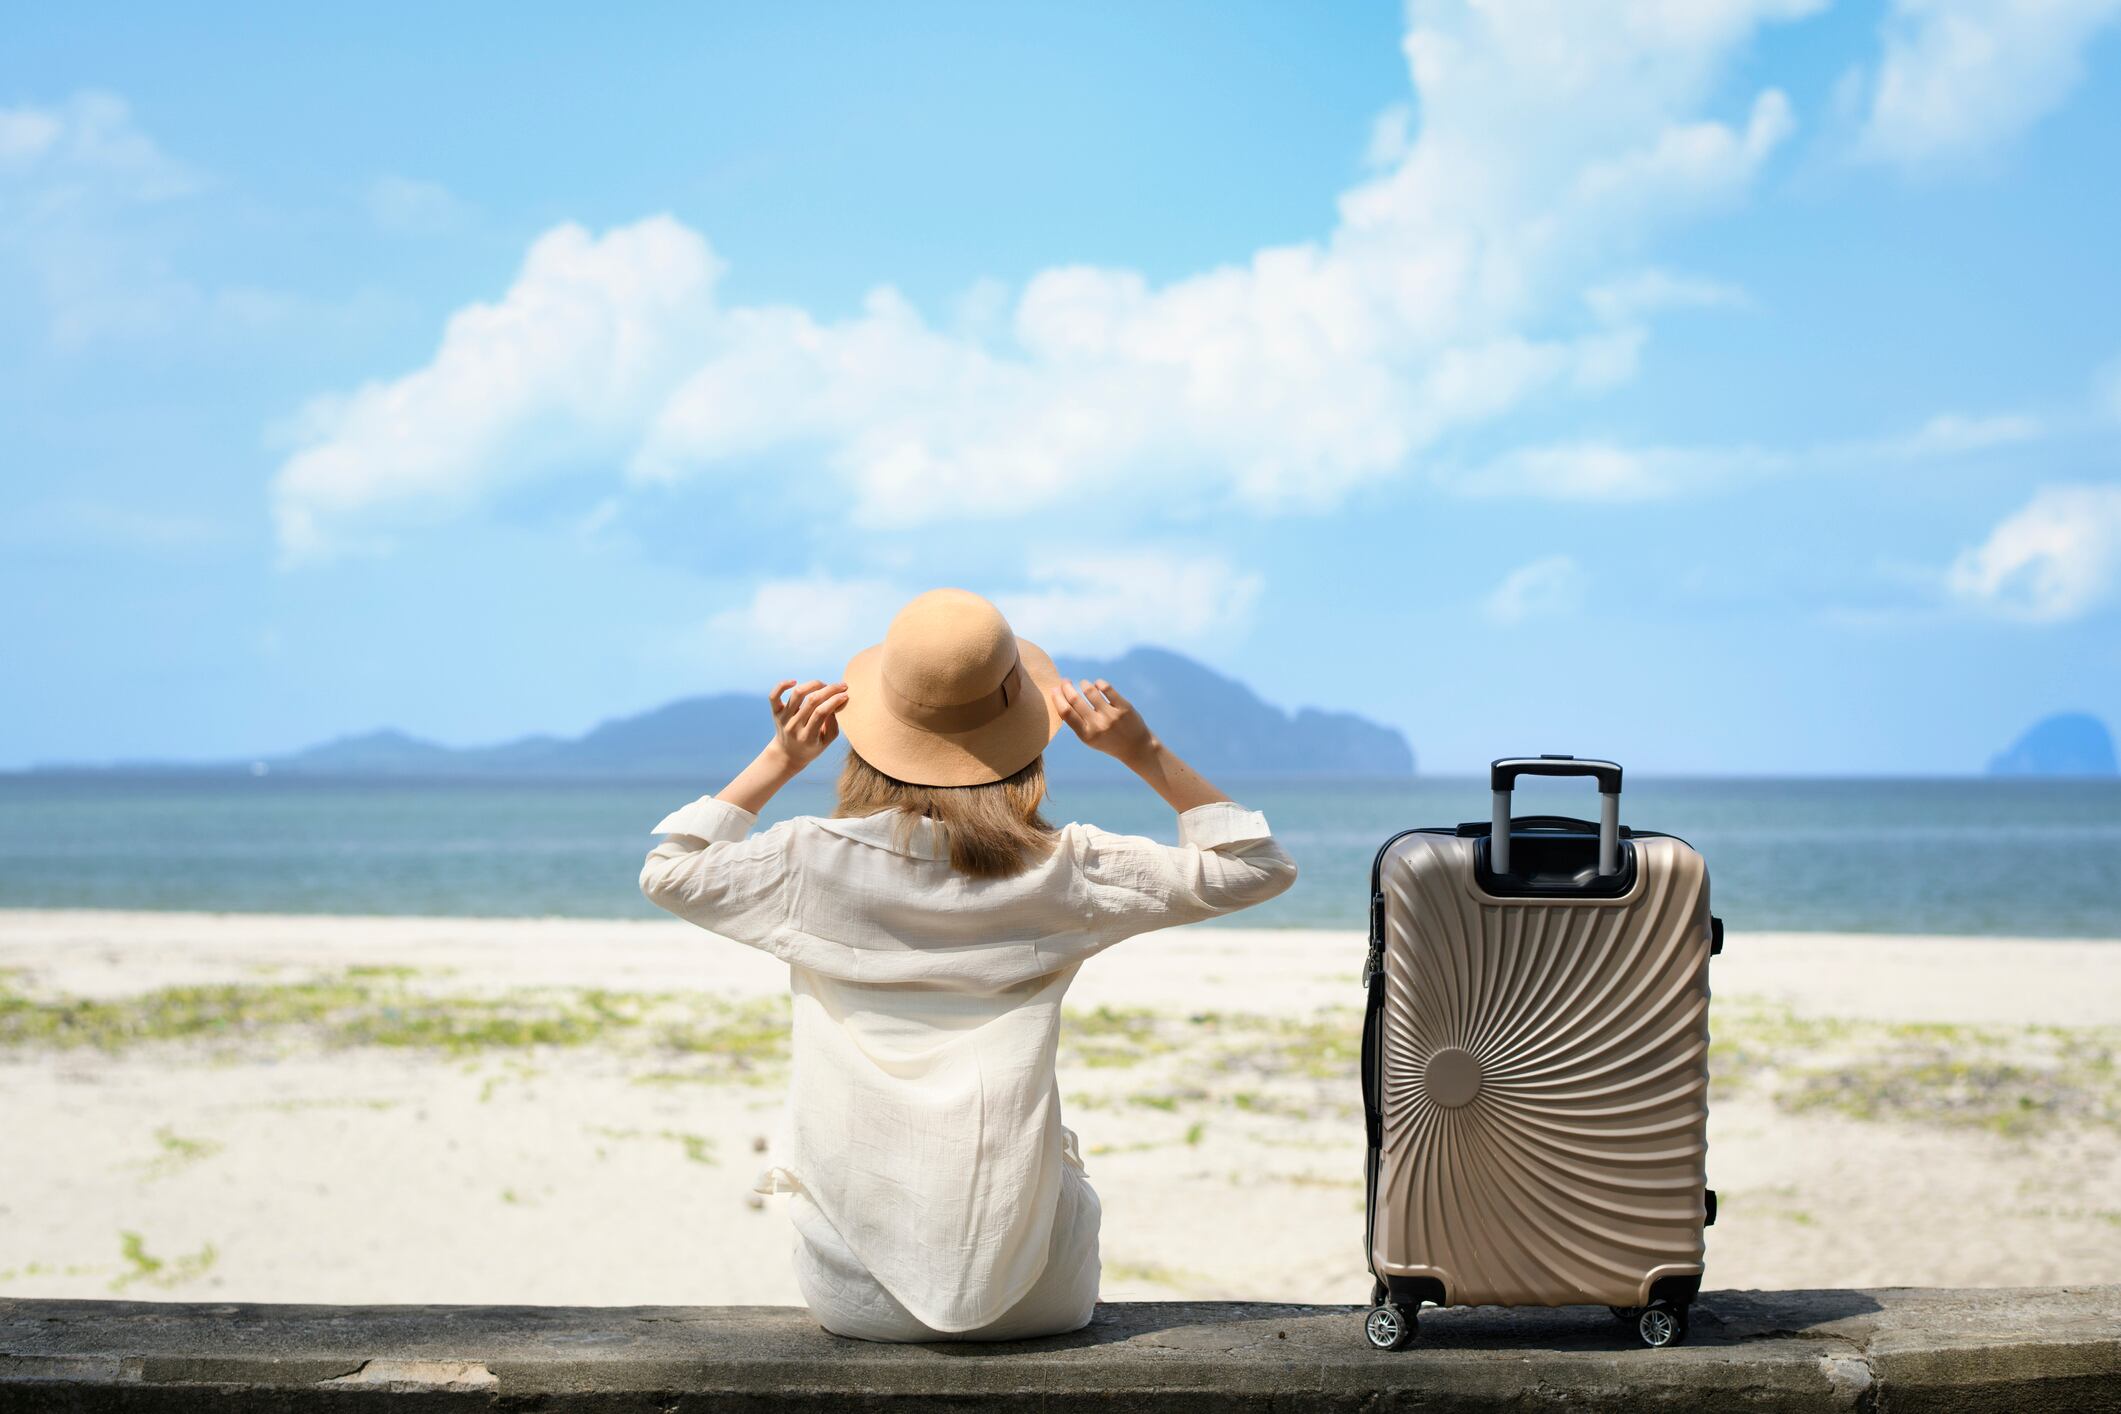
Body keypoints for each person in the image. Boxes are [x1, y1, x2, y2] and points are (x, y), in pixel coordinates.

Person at [639, 588, 1297, 1342]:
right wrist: (1140, 752)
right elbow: (1257, 869)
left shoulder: (805, 860)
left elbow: (670, 871)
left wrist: (779, 758)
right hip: (1037, 1297)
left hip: (855, 1299)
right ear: (1025, 734)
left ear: (867, 731)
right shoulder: (1068, 870)